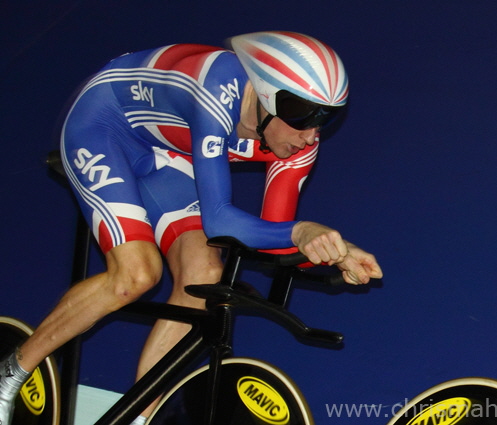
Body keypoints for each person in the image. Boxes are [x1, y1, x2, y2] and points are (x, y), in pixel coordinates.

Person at [0, 31, 383, 425]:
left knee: (204, 276)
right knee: (136, 275)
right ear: (267, 96)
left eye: (326, 116)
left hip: (168, 150)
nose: (312, 134)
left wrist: (335, 252)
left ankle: (139, 418)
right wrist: (301, 231)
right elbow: (220, 218)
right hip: (105, 125)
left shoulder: (301, 142)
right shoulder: (216, 89)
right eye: (304, 114)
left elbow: (275, 238)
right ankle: (8, 375)